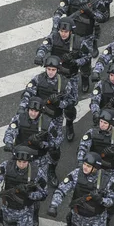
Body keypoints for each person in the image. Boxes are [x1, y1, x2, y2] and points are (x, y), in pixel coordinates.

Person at [20, 55, 77, 185]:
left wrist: (59, 103)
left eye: (53, 69)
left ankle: (51, 170)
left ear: (57, 70)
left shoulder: (65, 83)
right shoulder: (38, 79)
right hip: (37, 117)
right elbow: (27, 93)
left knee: (55, 148)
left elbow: (73, 100)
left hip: (55, 118)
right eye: (49, 69)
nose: (50, 72)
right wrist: (23, 110)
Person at [47, 152, 114, 226]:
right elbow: (62, 189)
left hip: (97, 219)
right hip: (78, 217)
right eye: (84, 164)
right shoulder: (76, 174)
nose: (85, 167)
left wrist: (102, 200)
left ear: (95, 168)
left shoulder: (108, 180)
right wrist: (54, 205)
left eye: (88, 166)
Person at [52, 0, 109, 91]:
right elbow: (60, 10)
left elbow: (104, 16)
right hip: (69, 33)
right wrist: (57, 24)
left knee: (85, 60)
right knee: (67, 57)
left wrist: (91, 13)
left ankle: (84, 79)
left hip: (86, 34)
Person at [3, 96, 58, 191]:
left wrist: (43, 144)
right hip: (20, 157)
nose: (33, 113)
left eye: (35, 111)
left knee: (38, 185)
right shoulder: (20, 118)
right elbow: (10, 131)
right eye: (31, 110)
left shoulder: (48, 122)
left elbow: (56, 140)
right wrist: (8, 142)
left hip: (39, 158)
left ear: (40, 111)